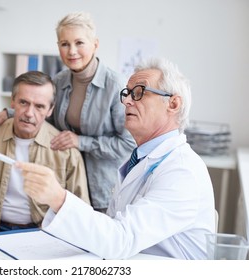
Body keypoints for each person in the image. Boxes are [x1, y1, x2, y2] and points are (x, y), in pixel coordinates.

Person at [16, 58, 216, 259]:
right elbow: (112, 230)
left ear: (172, 103)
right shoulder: (139, 159)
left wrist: (58, 198)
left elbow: (121, 240)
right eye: (127, 93)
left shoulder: (182, 171)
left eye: (139, 92)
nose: (127, 101)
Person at [0, 12, 136, 212]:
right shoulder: (59, 81)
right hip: (65, 186)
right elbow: (44, 113)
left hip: (102, 192)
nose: (72, 51)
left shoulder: (116, 86)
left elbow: (128, 143)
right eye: (65, 44)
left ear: (95, 44)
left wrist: (80, 142)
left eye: (79, 42)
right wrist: (8, 113)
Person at [0, 71, 90, 232]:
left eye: (39, 106)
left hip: (43, 233)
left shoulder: (66, 151)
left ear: (50, 110)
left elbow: (79, 208)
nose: (29, 113)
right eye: (23, 102)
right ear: (12, 102)